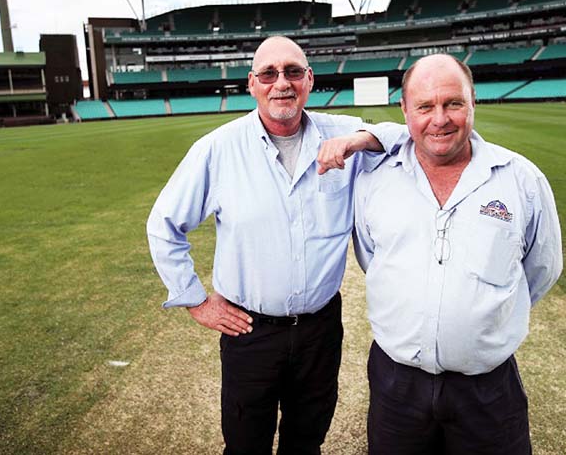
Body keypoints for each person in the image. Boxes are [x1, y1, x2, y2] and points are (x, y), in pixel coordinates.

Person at [147, 36, 404, 454]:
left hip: (320, 331)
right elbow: (163, 225)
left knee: (306, 443)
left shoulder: (341, 132)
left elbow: (405, 136)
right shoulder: (218, 149)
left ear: (309, 79)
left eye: (292, 71)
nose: (281, 82)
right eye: (269, 73)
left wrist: (359, 140)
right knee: (246, 445)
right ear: (252, 84)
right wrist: (195, 300)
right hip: (250, 333)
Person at [352, 54, 562, 454]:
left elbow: (542, 268)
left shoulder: (522, 180)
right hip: (397, 385)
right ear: (404, 111)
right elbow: (371, 257)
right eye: (425, 106)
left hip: (488, 389)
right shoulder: (374, 181)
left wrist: (479, 315)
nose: (440, 119)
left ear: (473, 102)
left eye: (453, 103)